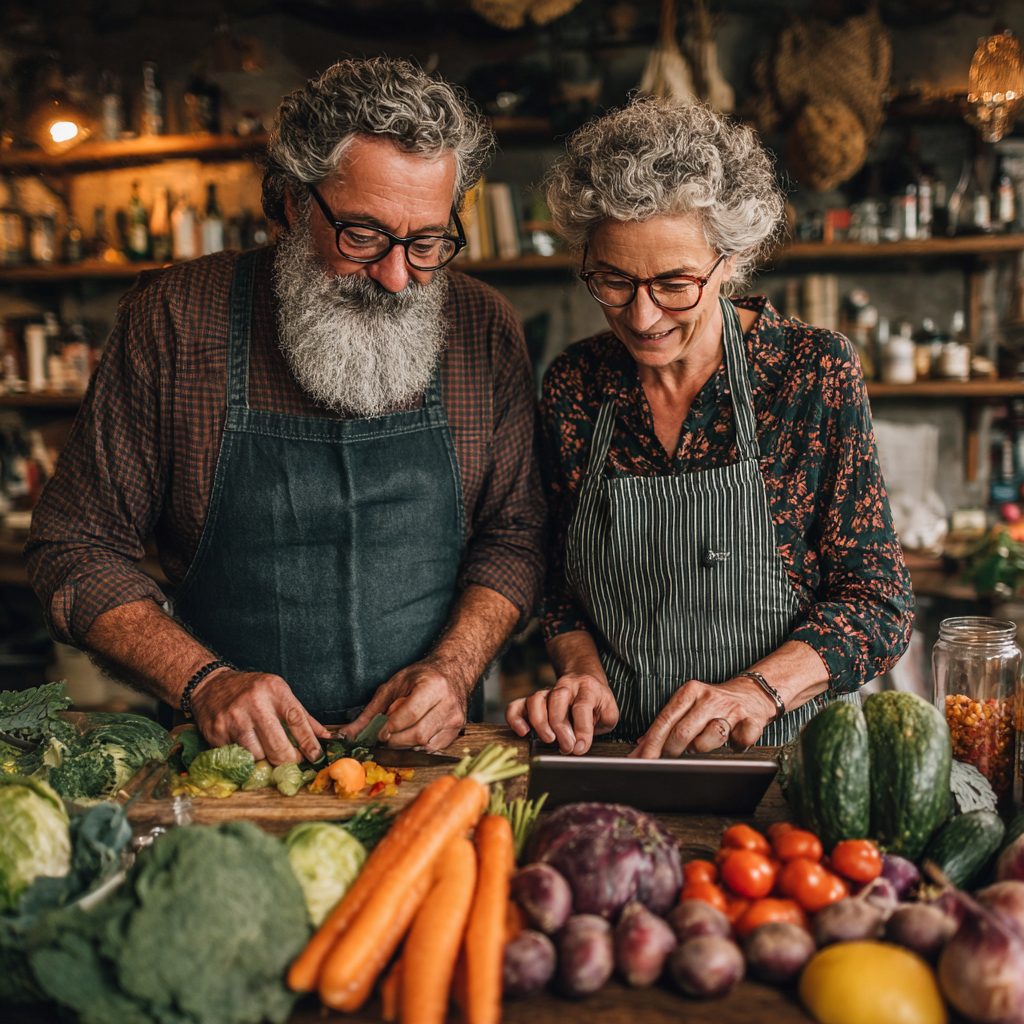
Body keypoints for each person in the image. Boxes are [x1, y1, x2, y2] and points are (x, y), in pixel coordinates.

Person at [26, 58, 545, 764]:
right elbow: (74, 548)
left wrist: (453, 668)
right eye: (362, 236)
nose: (396, 278)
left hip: (432, 753)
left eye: (426, 243)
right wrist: (203, 683)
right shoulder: (176, 320)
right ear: (293, 202)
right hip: (224, 760)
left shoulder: (484, 328)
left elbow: (516, 533)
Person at [507, 100, 913, 758]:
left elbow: (878, 604)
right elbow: (558, 587)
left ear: (732, 259)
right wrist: (581, 674)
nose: (641, 317)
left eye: (674, 283)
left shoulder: (810, 373)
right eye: (611, 280)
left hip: (780, 767)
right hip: (617, 758)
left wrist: (754, 693)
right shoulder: (576, 385)